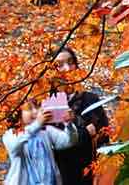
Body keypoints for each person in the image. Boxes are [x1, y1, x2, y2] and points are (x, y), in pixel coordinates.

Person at [49, 47, 111, 185]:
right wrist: (85, 133)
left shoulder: (91, 99)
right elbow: (57, 144)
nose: (67, 68)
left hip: (90, 172)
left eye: (71, 63)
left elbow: (104, 135)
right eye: (59, 65)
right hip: (61, 175)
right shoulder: (48, 104)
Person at [2, 99, 79, 185]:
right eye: (29, 109)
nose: (35, 111)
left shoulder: (46, 131)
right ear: (17, 113)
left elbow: (69, 141)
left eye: (37, 107)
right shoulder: (11, 135)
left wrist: (69, 125)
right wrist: (37, 124)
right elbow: (14, 145)